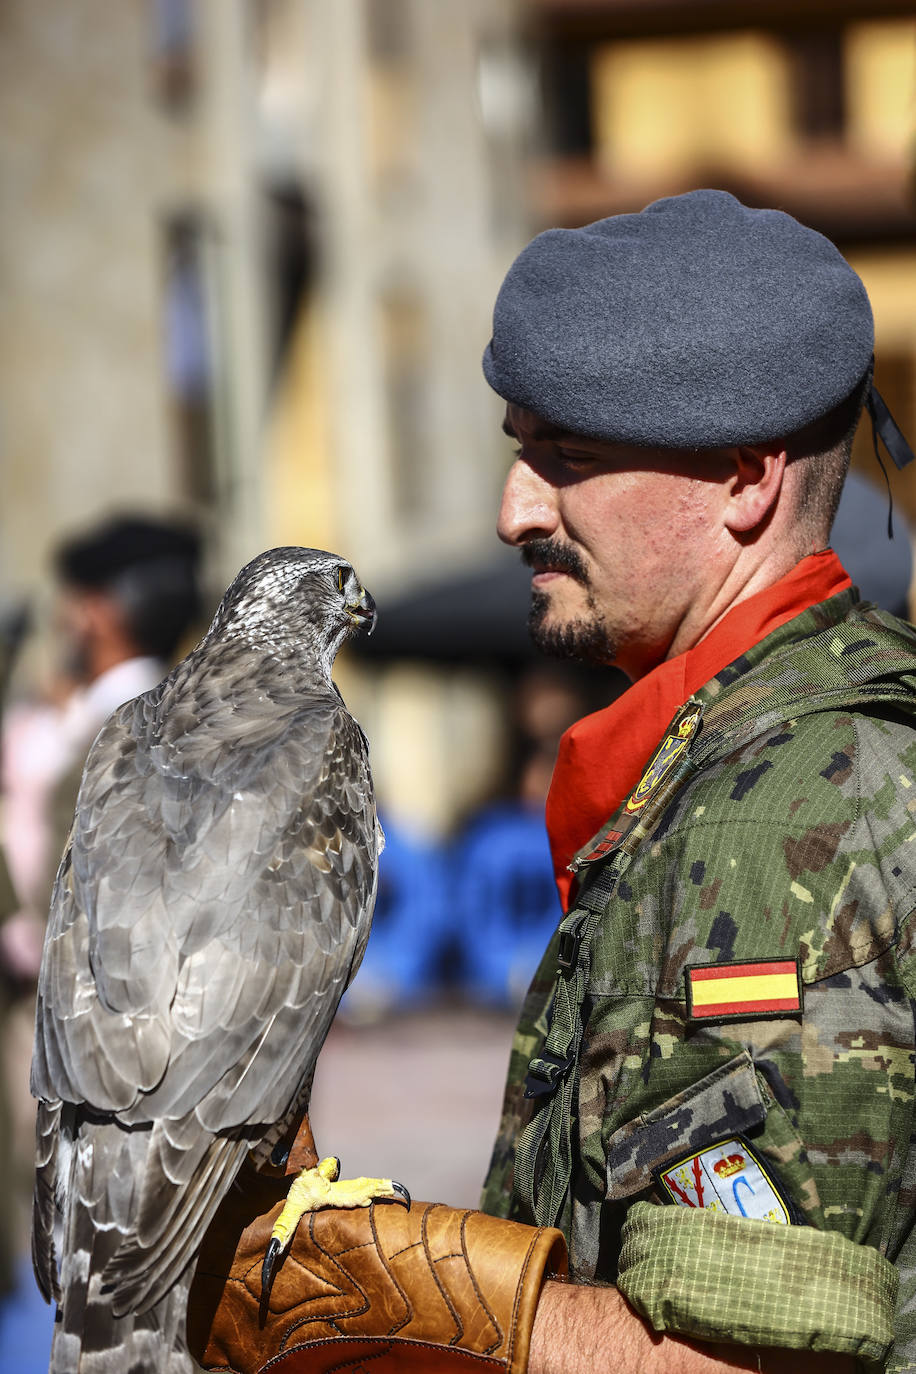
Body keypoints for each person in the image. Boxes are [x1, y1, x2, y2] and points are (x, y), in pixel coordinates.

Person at [193, 190, 916, 1372]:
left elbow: (746, 1364)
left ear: (744, 479)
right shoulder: (750, 748)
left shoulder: (790, 807)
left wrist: (389, 1305)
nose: (512, 509)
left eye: (567, 457)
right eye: (519, 448)